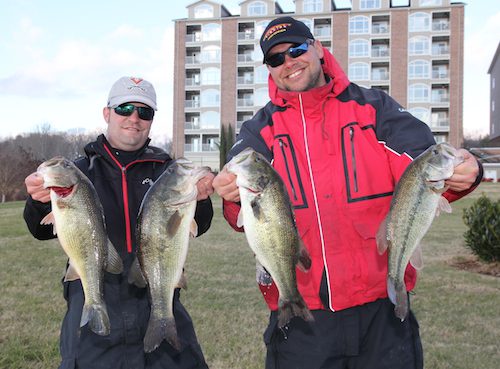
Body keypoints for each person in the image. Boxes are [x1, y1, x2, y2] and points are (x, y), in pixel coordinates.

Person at [212, 17, 482, 369]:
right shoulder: (258, 131)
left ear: (318, 48)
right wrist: (230, 196)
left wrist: (466, 169)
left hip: (381, 314)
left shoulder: (376, 108)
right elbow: (243, 212)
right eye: (276, 59)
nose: (288, 63)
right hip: (303, 319)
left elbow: (424, 167)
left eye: (296, 49)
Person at [23, 76, 215, 369]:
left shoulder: (169, 171)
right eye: (125, 108)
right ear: (107, 113)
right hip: (96, 300)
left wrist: (200, 199)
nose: (134, 119)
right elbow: (39, 229)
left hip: (157, 295)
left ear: (152, 120)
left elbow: (200, 224)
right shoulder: (78, 172)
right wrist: (38, 202)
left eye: (144, 112)